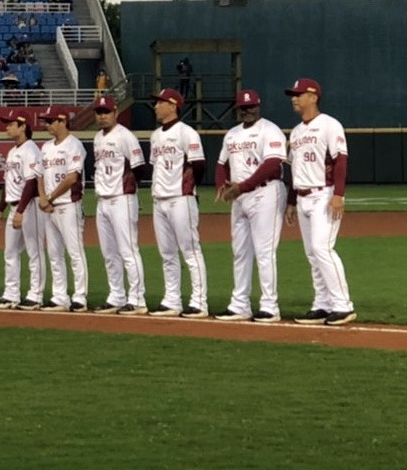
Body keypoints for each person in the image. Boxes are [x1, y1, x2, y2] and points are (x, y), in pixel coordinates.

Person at [285, 78, 356, 326]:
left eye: (299, 94)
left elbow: (341, 161)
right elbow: (295, 169)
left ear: (313, 97)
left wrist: (338, 195)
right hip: (303, 195)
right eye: (293, 95)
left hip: (324, 195)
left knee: (322, 249)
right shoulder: (296, 132)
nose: (294, 98)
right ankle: (322, 304)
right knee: (312, 254)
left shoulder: (329, 125)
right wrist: (292, 201)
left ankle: (343, 306)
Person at [213, 90, 288, 322]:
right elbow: (221, 163)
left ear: (259, 105)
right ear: (237, 109)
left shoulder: (270, 130)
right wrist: (221, 184)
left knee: (264, 252)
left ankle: (270, 306)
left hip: (266, 193)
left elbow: (273, 164)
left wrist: (242, 187)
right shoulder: (232, 134)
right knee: (241, 252)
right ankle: (239, 304)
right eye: (243, 108)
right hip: (240, 197)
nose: (247, 110)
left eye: (251, 106)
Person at [148, 88, 209, 317]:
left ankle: (199, 302)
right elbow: (155, 166)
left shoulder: (187, 133)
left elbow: (199, 164)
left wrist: (190, 187)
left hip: (181, 198)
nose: (156, 106)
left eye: (160, 102)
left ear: (173, 105)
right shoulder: (155, 136)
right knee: (167, 253)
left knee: (190, 251)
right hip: (160, 200)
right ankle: (172, 300)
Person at [23, 108, 89, 311]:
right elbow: (40, 175)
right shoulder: (45, 147)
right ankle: (60, 296)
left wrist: (50, 197)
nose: (47, 124)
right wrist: (43, 197)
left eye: (51, 121)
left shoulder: (74, 145)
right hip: (49, 207)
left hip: (69, 204)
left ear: (62, 121)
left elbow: (72, 177)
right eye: (46, 121)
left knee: (74, 252)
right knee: (54, 253)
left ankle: (80, 296)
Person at [89, 96, 148, 315]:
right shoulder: (97, 137)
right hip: (102, 200)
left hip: (122, 198)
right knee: (109, 252)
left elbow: (139, 167)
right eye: (99, 112)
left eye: (106, 112)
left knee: (128, 250)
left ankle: (137, 299)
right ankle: (116, 296)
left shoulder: (125, 136)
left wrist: (129, 189)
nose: (102, 116)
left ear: (115, 112)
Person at [0, 110, 47, 308]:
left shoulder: (30, 150)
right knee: (10, 252)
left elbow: (31, 183)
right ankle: (11, 293)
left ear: (23, 126)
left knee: (34, 252)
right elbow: (9, 183)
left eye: (11, 124)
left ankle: (36, 294)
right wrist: (1, 208)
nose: (7, 127)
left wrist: (20, 211)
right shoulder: (12, 151)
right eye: (7, 124)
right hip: (14, 205)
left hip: (29, 206)